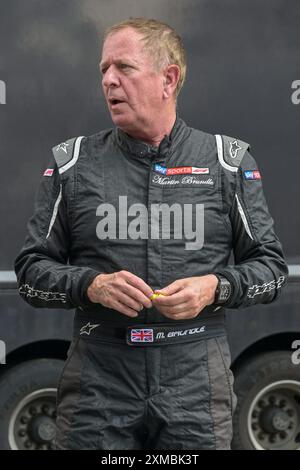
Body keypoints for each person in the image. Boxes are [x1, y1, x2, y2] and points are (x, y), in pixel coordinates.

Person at [14, 17, 288, 450]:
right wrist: (92, 285)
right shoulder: (73, 165)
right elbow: (30, 272)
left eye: (123, 68)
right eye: (103, 70)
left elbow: (272, 269)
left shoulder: (228, 163)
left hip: (195, 382)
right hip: (98, 383)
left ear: (169, 78)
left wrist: (215, 287)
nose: (108, 81)